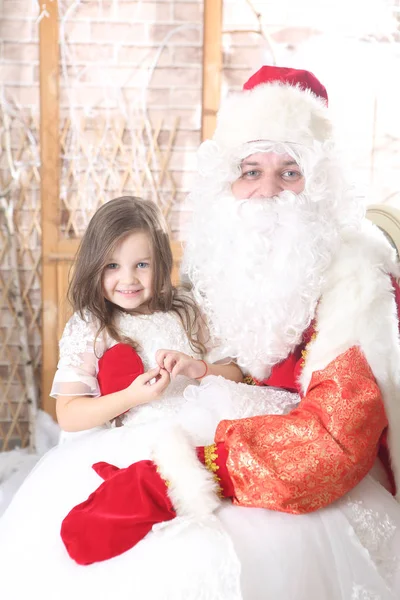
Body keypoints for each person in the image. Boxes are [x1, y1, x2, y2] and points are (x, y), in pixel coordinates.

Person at [0, 195, 299, 599]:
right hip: (132, 441)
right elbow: (69, 413)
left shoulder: (188, 311)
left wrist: (198, 368)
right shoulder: (91, 326)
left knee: (238, 519)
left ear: (160, 262)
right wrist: (128, 396)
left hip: (202, 428)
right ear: (95, 266)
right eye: (112, 266)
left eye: (141, 264)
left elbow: (238, 374)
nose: (129, 279)